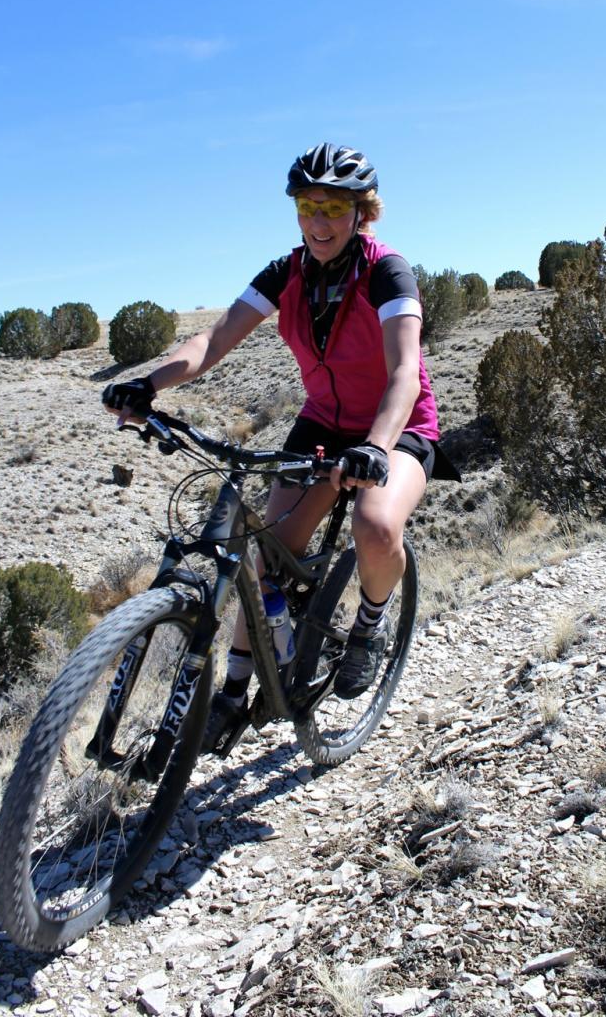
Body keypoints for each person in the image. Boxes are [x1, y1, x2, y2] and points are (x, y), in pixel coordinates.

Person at [102, 142, 458, 752]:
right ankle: (236, 691)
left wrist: (375, 444)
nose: (318, 221)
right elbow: (213, 340)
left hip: (395, 426)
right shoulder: (285, 273)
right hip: (322, 423)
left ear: (361, 212)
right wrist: (149, 382)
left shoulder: (387, 272)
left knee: (375, 524)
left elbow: (404, 371)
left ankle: (369, 629)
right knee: (262, 554)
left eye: (333, 207)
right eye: (306, 205)